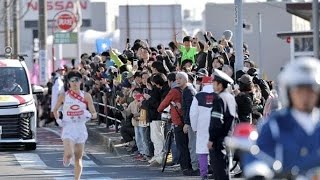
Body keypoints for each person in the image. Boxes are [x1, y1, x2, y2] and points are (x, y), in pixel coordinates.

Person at [243, 57, 320, 179]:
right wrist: (258, 171)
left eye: (311, 90)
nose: (305, 96)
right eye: (299, 90)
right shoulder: (275, 123)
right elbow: (259, 153)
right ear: (289, 92)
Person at [53, 71, 97, 180]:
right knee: (69, 154)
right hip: (68, 127)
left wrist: (89, 115)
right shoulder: (64, 96)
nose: (75, 83)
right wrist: (58, 119)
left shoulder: (86, 96)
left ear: (81, 81)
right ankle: (66, 157)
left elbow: (94, 113)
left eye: (77, 80)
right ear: (68, 83)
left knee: (78, 158)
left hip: (80, 128)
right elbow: (55, 109)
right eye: (72, 81)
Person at [207, 69, 237, 180]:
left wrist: (211, 139)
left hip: (219, 141)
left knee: (219, 172)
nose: (213, 85)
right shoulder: (230, 97)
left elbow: (216, 122)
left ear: (220, 84)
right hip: (228, 138)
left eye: (214, 82)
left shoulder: (219, 99)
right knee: (225, 171)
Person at [190, 76, 216, 180]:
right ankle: (216, 172)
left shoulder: (198, 96)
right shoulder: (218, 95)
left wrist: (194, 127)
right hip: (216, 125)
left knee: (202, 151)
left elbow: (193, 114)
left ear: (203, 84)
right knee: (215, 150)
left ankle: (203, 174)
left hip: (202, 126)